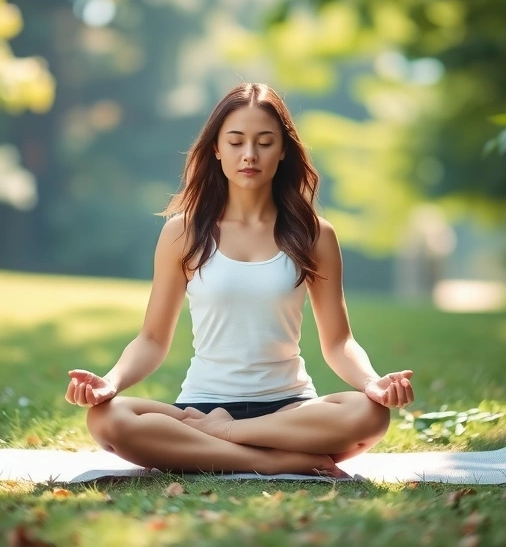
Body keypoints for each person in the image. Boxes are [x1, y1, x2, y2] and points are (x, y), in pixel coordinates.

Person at [65, 83, 414, 476]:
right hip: (200, 407)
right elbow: (152, 340)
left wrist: (373, 383)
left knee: (370, 415)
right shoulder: (183, 233)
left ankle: (225, 438)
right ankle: (269, 460)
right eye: (236, 142)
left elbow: (338, 342)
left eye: (265, 142)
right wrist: (109, 383)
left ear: (283, 150)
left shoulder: (315, 234)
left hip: (290, 411)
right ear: (216, 148)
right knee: (106, 419)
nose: (249, 154)